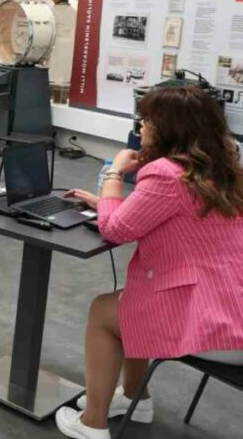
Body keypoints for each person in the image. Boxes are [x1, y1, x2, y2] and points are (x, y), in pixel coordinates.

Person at [55, 85, 243, 439]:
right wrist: (110, 203)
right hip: (234, 309)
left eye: (146, 121)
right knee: (132, 301)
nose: (141, 128)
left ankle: (92, 423)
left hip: (218, 325)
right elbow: (175, 216)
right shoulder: (223, 172)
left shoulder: (164, 174)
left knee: (103, 312)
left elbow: (115, 230)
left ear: (166, 128)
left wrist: (114, 174)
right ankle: (134, 398)